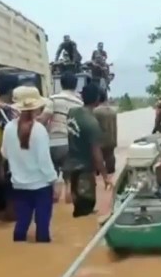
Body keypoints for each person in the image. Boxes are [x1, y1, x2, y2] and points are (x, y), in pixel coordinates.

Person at [0, 86, 57, 242]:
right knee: (43, 227)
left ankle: (18, 255)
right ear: (36, 107)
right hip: (41, 186)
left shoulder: (8, 128)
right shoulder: (39, 130)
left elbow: (4, 153)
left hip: (19, 185)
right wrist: (55, 182)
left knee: (21, 224)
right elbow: (45, 162)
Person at [63, 83, 113, 217]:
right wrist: (105, 176)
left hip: (70, 167)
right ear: (97, 99)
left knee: (78, 210)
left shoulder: (72, 113)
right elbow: (97, 154)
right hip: (84, 171)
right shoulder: (92, 123)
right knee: (86, 213)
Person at [37, 72, 83, 203]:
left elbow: (44, 119)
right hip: (70, 144)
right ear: (75, 85)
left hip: (52, 144)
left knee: (53, 177)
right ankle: (69, 203)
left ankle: (54, 201)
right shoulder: (79, 103)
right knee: (70, 180)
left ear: (61, 84)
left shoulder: (53, 99)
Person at [0, 73, 20, 220]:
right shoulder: (0, 110)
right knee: (13, 200)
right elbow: (12, 130)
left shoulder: (4, 108)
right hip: (8, 157)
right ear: (10, 91)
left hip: (9, 155)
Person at [93, 89, 118, 178]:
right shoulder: (113, 110)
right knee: (110, 158)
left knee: (97, 160)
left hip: (100, 141)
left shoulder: (96, 111)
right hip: (112, 139)